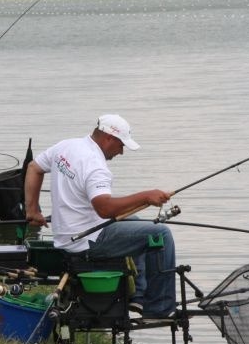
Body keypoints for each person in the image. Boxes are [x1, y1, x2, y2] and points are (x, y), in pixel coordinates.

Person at [25, 114, 177, 319]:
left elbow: (34, 168)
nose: (121, 152)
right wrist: (146, 196)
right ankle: (160, 309)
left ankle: (138, 298)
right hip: (87, 240)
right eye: (121, 145)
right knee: (161, 235)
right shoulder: (95, 165)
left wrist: (32, 210)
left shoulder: (67, 146)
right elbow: (104, 209)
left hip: (67, 233)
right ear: (109, 139)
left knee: (138, 224)